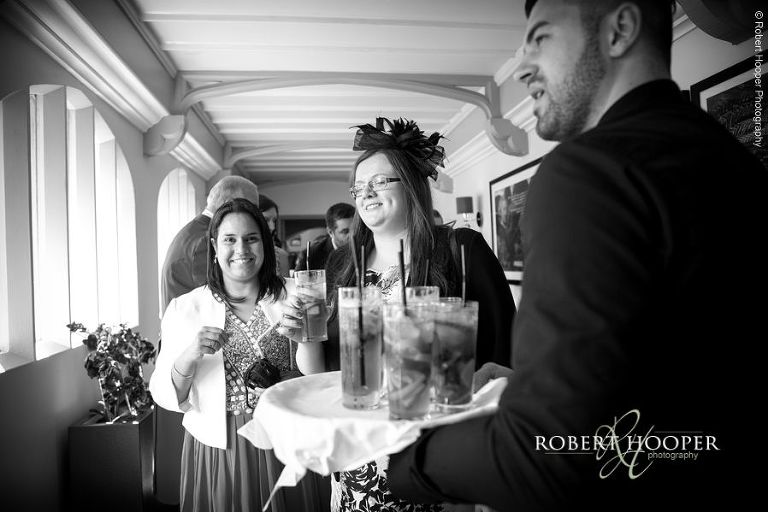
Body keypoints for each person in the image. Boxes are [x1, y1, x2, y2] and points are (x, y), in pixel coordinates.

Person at [387, 0, 764, 510]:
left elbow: (552, 456)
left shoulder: (588, 170)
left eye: (540, 38)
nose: (521, 68)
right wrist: (533, 386)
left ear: (620, 29)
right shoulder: (732, 159)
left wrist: (407, 459)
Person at [282, 117, 515, 512]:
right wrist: (302, 336)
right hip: (358, 459)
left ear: (410, 185)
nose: (366, 193)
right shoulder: (341, 265)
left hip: (440, 455)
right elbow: (321, 376)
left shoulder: (461, 250)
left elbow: (504, 350)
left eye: (379, 182)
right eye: (359, 187)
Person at [150, 198, 327, 512]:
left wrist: (306, 340)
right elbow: (165, 394)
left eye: (251, 238)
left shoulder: (298, 295)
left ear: (265, 244)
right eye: (229, 239)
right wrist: (190, 355)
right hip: (221, 449)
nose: (241, 249)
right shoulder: (185, 308)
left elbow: (318, 380)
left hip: (289, 439)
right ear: (215, 247)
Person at [156, 174, 260, 505]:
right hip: (205, 368)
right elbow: (221, 298)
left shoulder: (192, 232)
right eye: (249, 208)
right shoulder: (203, 242)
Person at [295, 202, 355, 271]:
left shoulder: (363, 247)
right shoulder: (311, 256)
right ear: (330, 232)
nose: (352, 235)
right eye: (345, 232)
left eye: (355, 229)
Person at [259, 194, 291, 277]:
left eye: (274, 221)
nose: (272, 227)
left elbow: (285, 285)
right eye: (266, 220)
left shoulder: (280, 255)